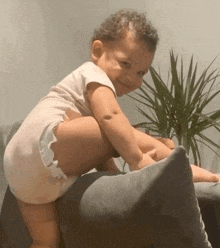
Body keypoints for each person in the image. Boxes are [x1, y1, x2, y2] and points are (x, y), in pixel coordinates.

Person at [3, 9, 219, 248]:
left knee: (46, 241)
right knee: (131, 134)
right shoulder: (93, 74)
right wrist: (136, 159)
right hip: (43, 143)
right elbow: (109, 116)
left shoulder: (84, 89)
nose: (131, 77)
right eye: (125, 63)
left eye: (140, 72)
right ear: (97, 51)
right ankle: (205, 174)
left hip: (22, 175)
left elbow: (94, 144)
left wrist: (112, 172)